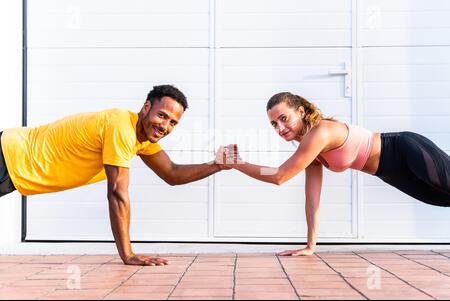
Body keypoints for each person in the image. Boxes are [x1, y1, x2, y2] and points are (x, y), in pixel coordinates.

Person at [0, 84, 229, 266]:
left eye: (173, 123)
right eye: (162, 115)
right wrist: (128, 255)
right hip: (8, 156)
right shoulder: (121, 127)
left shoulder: (142, 138)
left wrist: (216, 165)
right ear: (146, 107)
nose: (165, 126)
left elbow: (172, 173)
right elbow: (117, 193)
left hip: (13, 167)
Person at [217, 92, 450, 256]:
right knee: (443, 199)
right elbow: (312, 200)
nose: (280, 128)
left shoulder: (319, 134)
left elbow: (279, 175)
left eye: (284, 118)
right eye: (273, 124)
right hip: (390, 172)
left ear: (300, 111)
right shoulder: (310, 150)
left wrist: (238, 163)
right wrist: (310, 246)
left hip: (405, 150)